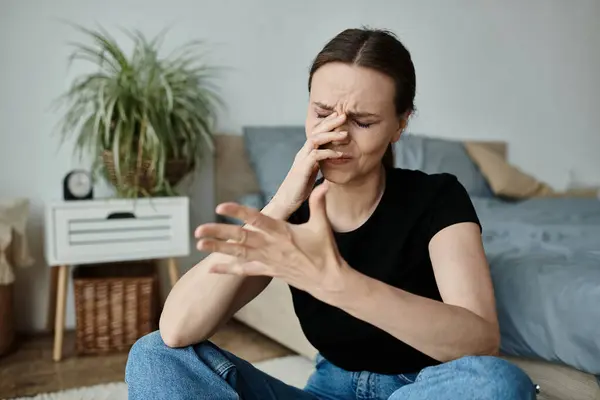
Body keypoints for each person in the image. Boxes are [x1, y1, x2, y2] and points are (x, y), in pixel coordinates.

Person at [125, 28, 536, 400]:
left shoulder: (437, 197)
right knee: (154, 356)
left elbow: (481, 342)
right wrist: (283, 203)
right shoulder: (291, 214)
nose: (337, 136)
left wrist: (336, 282)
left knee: (497, 385)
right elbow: (177, 329)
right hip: (327, 392)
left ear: (400, 124)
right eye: (323, 114)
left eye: (362, 121)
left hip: (419, 390)